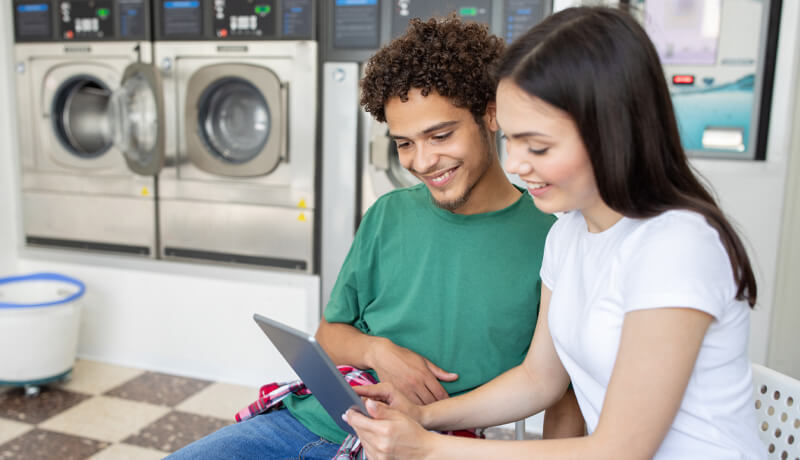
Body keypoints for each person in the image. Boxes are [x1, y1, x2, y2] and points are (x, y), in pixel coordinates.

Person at [345, 6, 765, 459]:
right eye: (513, 141)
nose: (517, 165)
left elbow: (619, 450)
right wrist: (424, 417)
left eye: (538, 146)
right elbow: (538, 380)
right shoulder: (568, 234)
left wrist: (428, 448)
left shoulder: (677, 245)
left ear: (610, 130)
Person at [167, 16, 584, 460]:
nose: (423, 161)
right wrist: (377, 350)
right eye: (404, 143)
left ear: (491, 114)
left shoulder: (552, 239)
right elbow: (329, 333)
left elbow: (559, 391)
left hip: (423, 442)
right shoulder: (389, 214)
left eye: (440, 135)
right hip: (312, 417)